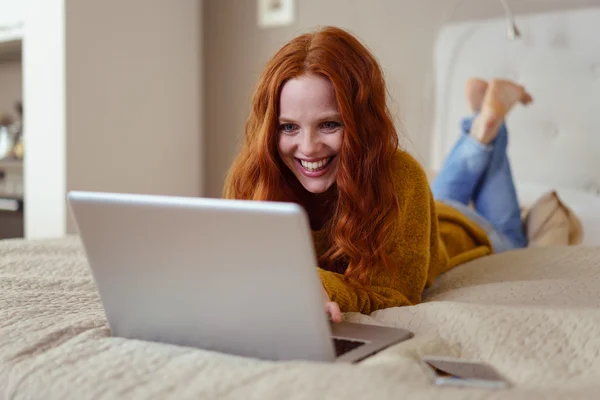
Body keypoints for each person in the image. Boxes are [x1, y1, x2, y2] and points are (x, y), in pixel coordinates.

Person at [223, 26, 533, 323]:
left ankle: (489, 124)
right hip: (433, 205)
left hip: (468, 227)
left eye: (330, 124)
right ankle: (483, 121)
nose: (308, 148)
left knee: (511, 235)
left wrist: (313, 283)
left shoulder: (402, 177)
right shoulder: (256, 175)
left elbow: (397, 293)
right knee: (446, 193)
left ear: (363, 124)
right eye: (288, 126)